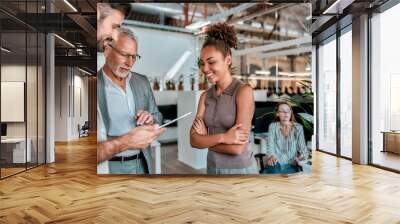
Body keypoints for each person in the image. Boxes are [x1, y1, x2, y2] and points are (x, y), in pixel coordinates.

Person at [190, 22, 258, 174]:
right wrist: (225, 137)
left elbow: (237, 148)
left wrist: (205, 140)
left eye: (211, 62)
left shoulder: (243, 92)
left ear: (227, 60)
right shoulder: (205, 96)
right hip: (213, 168)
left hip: (240, 170)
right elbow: (193, 140)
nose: (205, 69)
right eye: (202, 63)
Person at [97, 27, 165, 174]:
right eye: (124, 54)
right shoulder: (93, 86)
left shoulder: (142, 82)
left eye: (134, 57)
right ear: (107, 50)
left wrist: (150, 119)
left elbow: (158, 116)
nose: (130, 63)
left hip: (142, 163)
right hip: (110, 167)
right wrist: (126, 141)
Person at [262, 102, 309, 174]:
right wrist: (271, 157)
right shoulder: (273, 126)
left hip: (291, 164)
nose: (286, 113)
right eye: (283, 111)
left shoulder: (298, 128)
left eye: (288, 110)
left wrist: (299, 158)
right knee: (274, 174)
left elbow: (303, 150)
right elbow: (270, 148)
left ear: (291, 112)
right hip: (276, 163)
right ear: (277, 114)